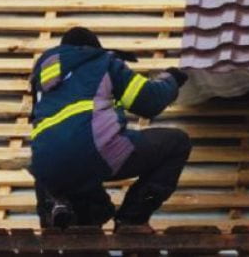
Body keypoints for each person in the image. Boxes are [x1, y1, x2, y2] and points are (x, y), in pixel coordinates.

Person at [28, 26, 191, 230]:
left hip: (46, 168)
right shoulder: (102, 62)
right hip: (96, 152)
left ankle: (59, 209)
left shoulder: (41, 78)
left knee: (90, 208)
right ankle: (132, 219)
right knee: (177, 142)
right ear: (92, 48)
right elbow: (148, 100)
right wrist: (171, 79)